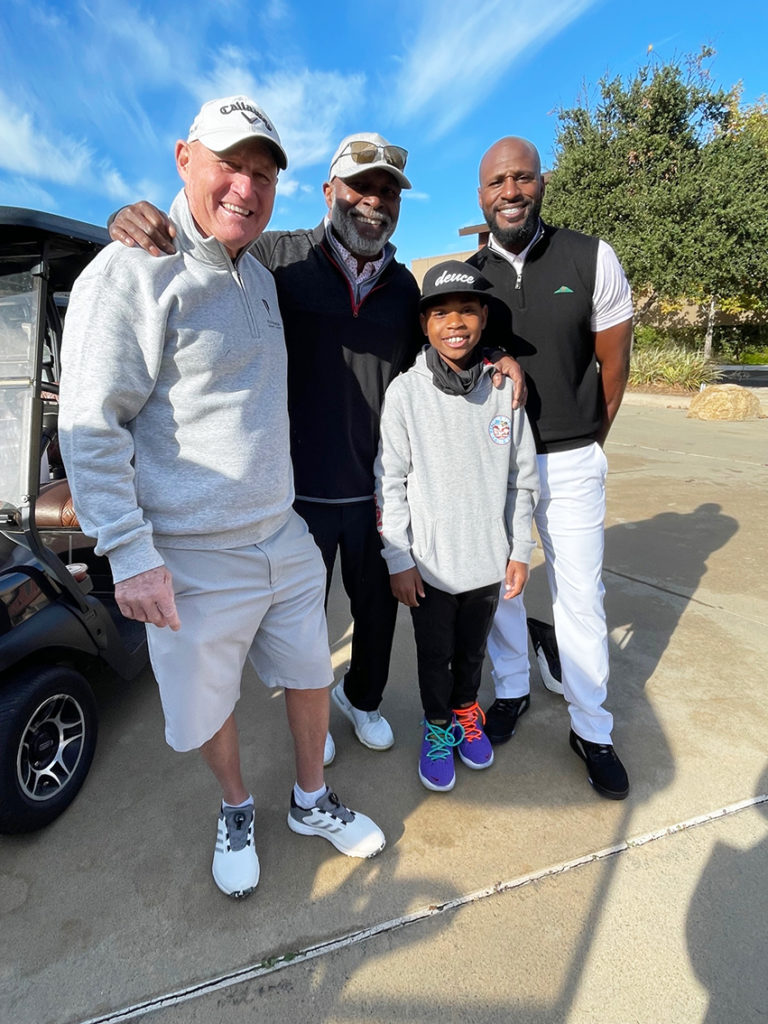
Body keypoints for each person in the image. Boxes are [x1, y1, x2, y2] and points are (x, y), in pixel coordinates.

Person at [58, 96, 385, 901]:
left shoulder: (258, 274)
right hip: (192, 553)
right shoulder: (132, 270)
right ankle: (237, 807)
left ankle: (309, 800)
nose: (245, 186)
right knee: (208, 706)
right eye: (229, 165)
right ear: (183, 159)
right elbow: (91, 424)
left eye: (263, 173)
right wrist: (129, 555)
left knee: (311, 672)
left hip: (281, 533)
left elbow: (347, 233)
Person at [107, 134, 528, 760]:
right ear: (330, 191)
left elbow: (442, 349)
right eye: (360, 186)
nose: (373, 202)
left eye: (387, 192)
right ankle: (309, 720)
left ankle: (361, 699)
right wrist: (127, 220)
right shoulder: (276, 259)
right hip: (291, 492)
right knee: (298, 626)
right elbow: (198, 245)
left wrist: (496, 355)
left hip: (375, 489)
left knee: (380, 613)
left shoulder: (405, 292)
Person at [469, 136, 634, 800]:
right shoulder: (469, 277)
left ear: (542, 182)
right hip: (497, 466)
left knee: (581, 598)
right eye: (495, 183)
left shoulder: (591, 257)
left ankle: (591, 728)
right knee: (501, 590)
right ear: (480, 196)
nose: (510, 191)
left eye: (522, 178)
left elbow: (615, 369)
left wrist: (587, 442)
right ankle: (511, 690)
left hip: (569, 460)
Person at [374, 261, 539, 792]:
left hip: (487, 561)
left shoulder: (502, 388)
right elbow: (390, 480)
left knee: (471, 654)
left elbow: (522, 478)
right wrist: (398, 558)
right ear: (424, 324)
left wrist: (518, 549)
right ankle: (437, 726)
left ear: (484, 317)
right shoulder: (405, 393)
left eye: (467, 310)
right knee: (434, 656)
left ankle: (467, 712)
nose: (456, 322)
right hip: (429, 566)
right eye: (441, 312)